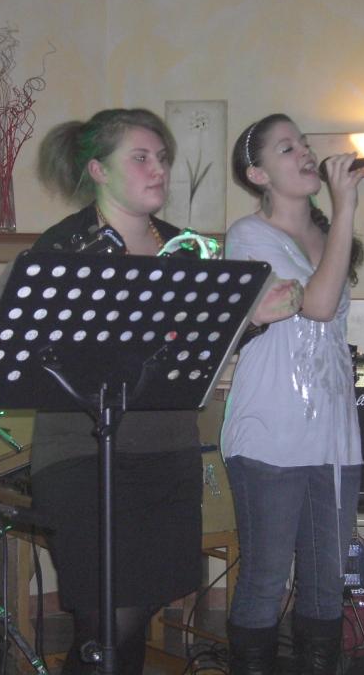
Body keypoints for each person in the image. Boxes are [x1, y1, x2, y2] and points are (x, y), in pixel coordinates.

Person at [32, 108, 300, 675]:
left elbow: (199, 352)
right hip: (85, 456)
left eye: (161, 158)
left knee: (136, 609)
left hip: (167, 452)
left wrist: (252, 318)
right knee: (108, 622)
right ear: (98, 171)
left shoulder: (187, 248)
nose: (158, 169)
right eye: (140, 158)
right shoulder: (64, 249)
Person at [222, 113, 364, 675]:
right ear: (258, 174)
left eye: (304, 143)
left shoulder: (328, 238)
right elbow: (319, 305)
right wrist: (346, 206)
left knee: (327, 583)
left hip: (334, 435)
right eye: (287, 148)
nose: (305, 153)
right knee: (265, 579)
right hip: (270, 432)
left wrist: (339, 219)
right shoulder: (249, 235)